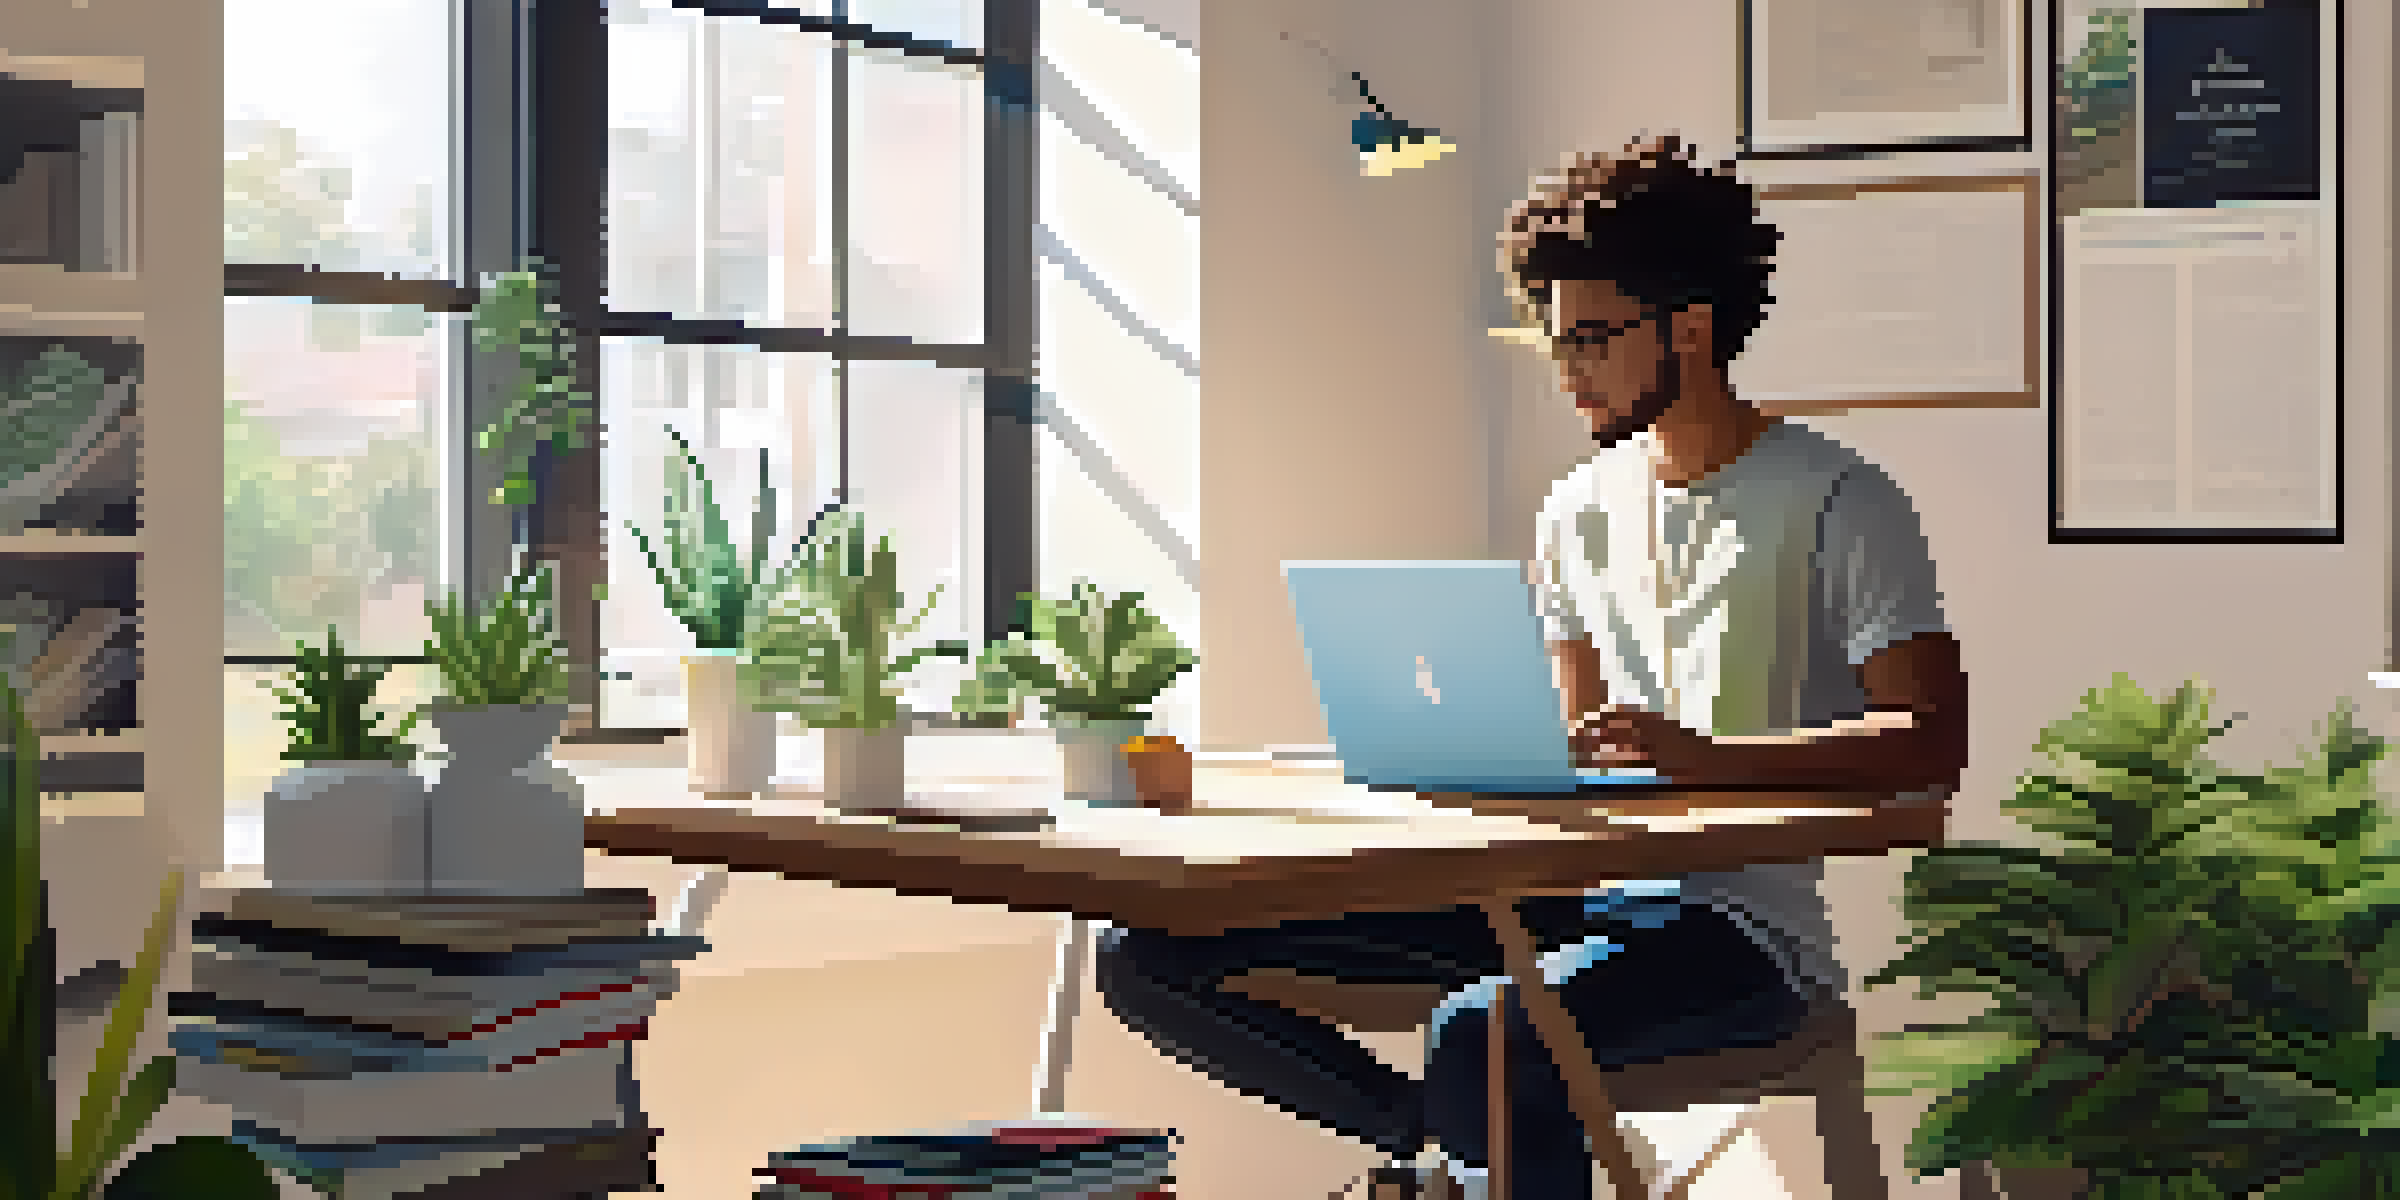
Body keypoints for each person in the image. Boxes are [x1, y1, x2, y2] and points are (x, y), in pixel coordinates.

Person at [1091, 135, 1969, 1199]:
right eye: (1554, 343)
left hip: (1739, 934)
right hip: (1558, 904)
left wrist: (1704, 759)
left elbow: (1928, 743)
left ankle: (1454, 1153)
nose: (1569, 373)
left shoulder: (1842, 500)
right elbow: (1574, 742)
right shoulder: (1576, 512)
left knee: (1490, 1038)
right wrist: (1466, 753)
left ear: (1690, 326)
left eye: (1595, 338)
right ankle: (1429, 1146)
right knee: (1146, 952)